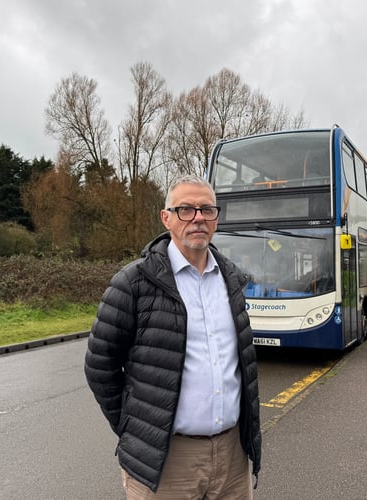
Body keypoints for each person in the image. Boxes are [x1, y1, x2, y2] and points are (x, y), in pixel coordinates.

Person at [84, 174, 262, 498]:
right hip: (167, 463)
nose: (197, 218)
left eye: (206, 210)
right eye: (186, 209)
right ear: (166, 218)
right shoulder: (134, 282)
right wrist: (136, 428)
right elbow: (100, 365)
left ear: (216, 219)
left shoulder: (233, 281)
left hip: (233, 457)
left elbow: (243, 367)